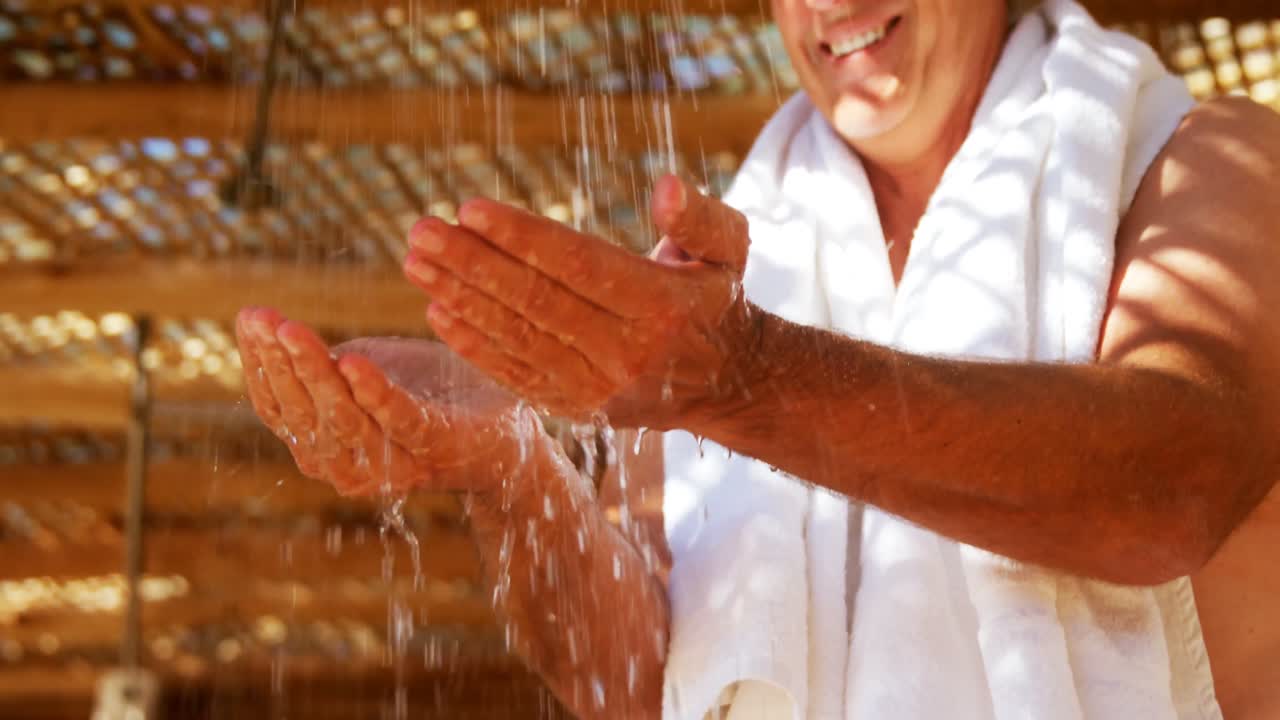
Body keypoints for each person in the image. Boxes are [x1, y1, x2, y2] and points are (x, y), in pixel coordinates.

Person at [235, 0, 1280, 717]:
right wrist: (506, 470)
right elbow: (639, 686)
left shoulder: (1204, 164)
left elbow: (1173, 486)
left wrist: (739, 380)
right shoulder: (726, 265)